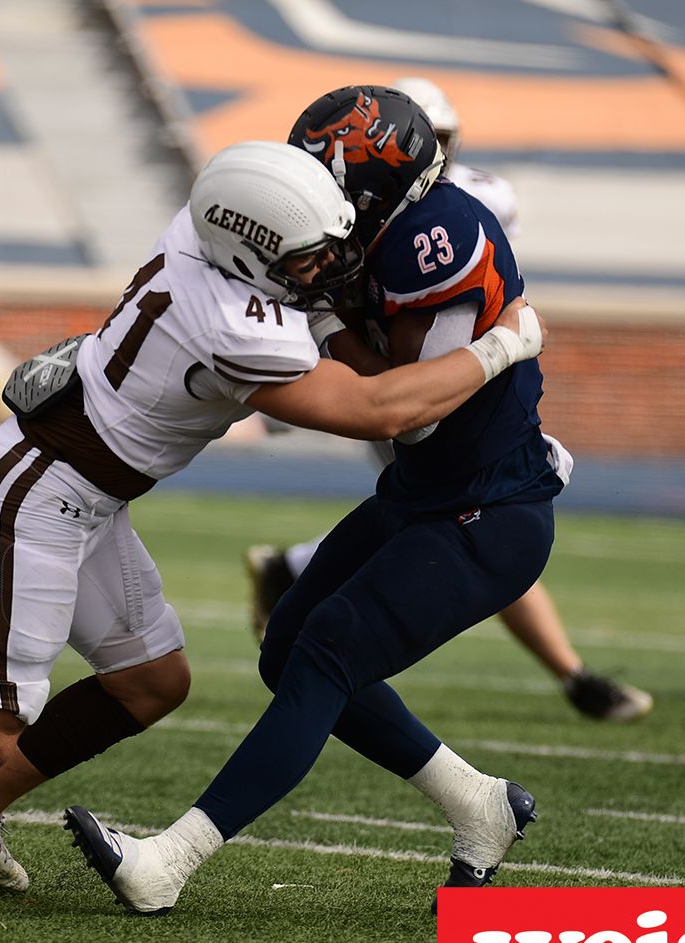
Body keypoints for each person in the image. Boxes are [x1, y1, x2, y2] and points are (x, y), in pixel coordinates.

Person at [0, 138, 546, 909]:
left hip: (86, 492)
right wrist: (502, 344)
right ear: (251, 258)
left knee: (150, 682)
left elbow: (260, 209)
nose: (325, 269)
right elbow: (384, 409)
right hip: (34, 493)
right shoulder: (239, 326)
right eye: (305, 259)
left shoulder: (201, 229)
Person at [62, 86, 562, 916]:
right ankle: (479, 804)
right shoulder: (360, 230)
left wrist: (328, 324)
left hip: (488, 510)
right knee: (286, 644)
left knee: (326, 650)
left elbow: (414, 415)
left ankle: (170, 861)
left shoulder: (434, 241)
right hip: (424, 495)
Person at [245, 76, 652, 724]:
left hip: (444, 363)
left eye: (440, 138)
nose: (431, 151)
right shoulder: (349, 208)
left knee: (454, 515)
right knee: (459, 511)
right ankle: (572, 676)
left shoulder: (473, 202)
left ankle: (294, 567)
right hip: (402, 371)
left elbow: (471, 293)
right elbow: (401, 400)